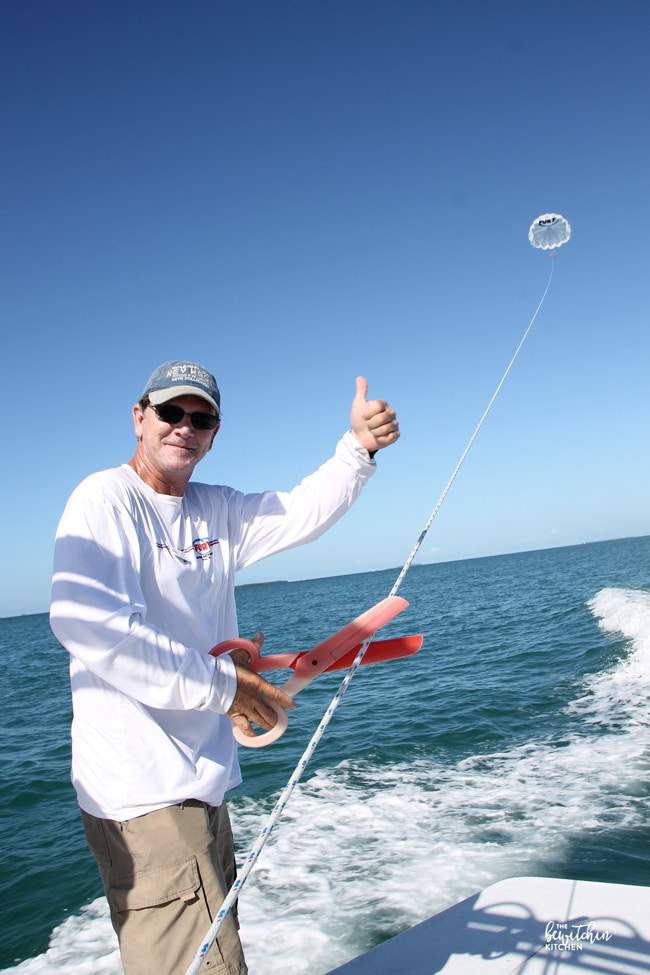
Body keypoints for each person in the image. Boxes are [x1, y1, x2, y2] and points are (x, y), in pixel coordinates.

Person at [50, 360, 399, 975]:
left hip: (202, 789)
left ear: (214, 433)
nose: (184, 426)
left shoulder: (216, 509)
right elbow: (87, 623)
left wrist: (357, 449)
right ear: (140, 418)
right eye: (170, 412)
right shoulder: (104, 500)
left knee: (219, 948)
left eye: (201, 418)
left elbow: (299, 513)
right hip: (145, 797)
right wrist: (228, 688)